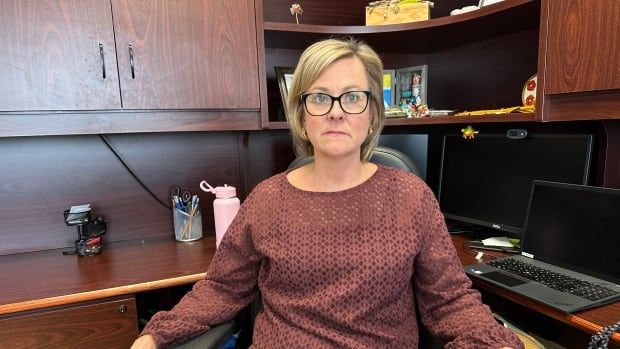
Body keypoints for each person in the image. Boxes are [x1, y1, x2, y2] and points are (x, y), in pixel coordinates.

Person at [131, 37, 523, 349]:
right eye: (319, 97)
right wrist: (155, 336)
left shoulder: (411, 197)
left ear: (372, 116)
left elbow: (449, 300)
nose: (336, 111)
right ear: (301, 116)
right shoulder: (266, 201)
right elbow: (221, 288)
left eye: (352, 97)